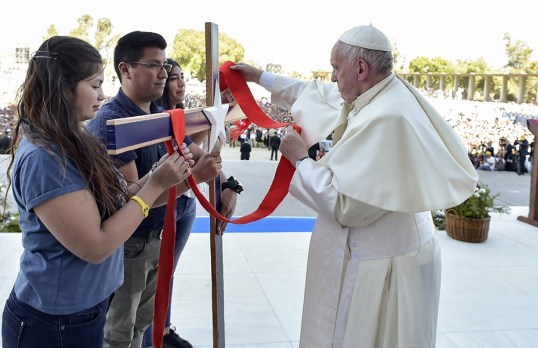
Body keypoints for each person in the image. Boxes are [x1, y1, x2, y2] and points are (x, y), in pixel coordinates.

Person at [231, 25, 478, 347]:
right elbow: (316, 93)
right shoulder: (380, 92)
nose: (332, 77)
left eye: (336, 68)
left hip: (382, 262)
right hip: (382, 249)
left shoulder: (388, 118)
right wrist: (259, 76)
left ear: (361, 68)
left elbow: (346, 206)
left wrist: (300, 159)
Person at [0, 36, 195, 348]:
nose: (103, 95)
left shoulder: (71, 139)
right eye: (94, 85)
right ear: (63, 88)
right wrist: (157, 183)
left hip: (82, 310)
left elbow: (119, 196)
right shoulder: (45, 158)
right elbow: (96, 246)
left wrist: (169, 178)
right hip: (55, 323)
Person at [86, 31, 237, 348]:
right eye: (154, 65)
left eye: (164, 65)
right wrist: (194, 177)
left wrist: (223, 176)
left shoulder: (159, 113)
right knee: (119, 331)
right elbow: (131, 200)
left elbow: (194, 152)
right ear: (126, 70)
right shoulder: (112, 123)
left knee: (144, 322)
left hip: (158, 237)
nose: (163, 73)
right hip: (131, 244)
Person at [140, 58, 197, 348]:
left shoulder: (177, 116)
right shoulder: (151, 118)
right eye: (173, 77)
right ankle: (153, 336)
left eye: (180, 76)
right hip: (161, 207)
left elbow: (197, 152)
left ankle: (161, 330)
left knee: (167, 273)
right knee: (154, 277)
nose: (179, 82)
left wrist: (226, 181)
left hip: (185, 204)